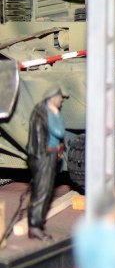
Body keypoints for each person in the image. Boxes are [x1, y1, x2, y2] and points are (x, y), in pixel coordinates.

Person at [26, 86, 67, 241]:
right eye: (59, 97)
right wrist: (56, 114)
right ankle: (34, 226)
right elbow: (59, 132)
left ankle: (36, 224)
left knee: (46, 191)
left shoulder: (46, 111)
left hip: (49, 155)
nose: (62, 99)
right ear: (52, 98)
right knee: (42, 192)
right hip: (43, 156)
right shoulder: (45, 114)